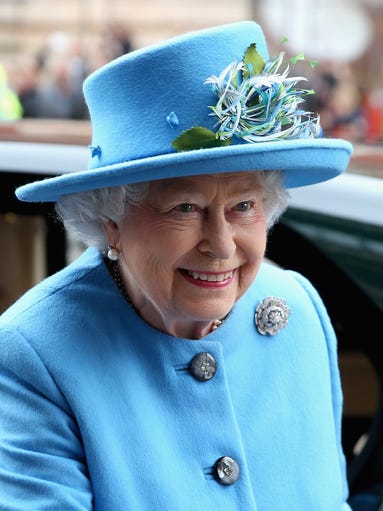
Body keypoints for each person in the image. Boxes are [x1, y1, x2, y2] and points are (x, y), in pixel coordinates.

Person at [0, 21, 354, 510]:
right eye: (185, 208)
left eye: (244, 206)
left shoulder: (298, 309)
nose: (222, 245)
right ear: (112, 223)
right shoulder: (35, 353)